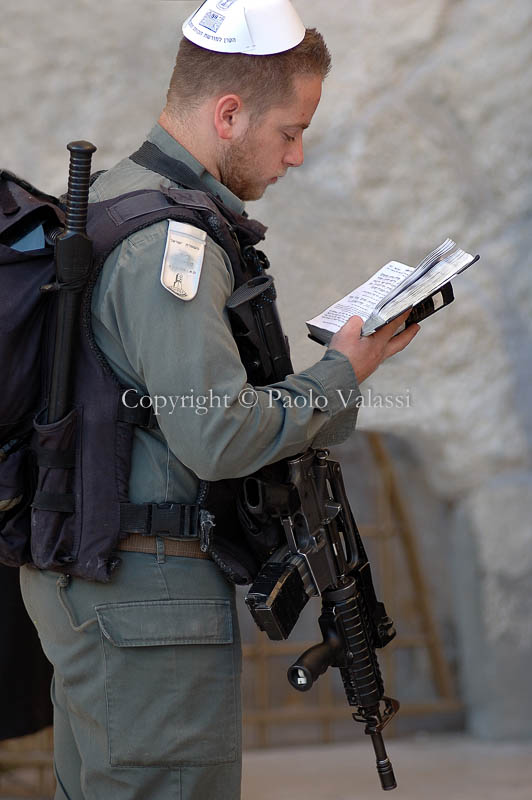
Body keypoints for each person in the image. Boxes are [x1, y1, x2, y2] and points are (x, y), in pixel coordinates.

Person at [20, 1, 419, 798]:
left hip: (111, 586)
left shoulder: (116, 196)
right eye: (290, 131)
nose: (297, 155)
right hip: (145, 597)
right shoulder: (173, 245)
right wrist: (344, 370)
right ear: (229, 113)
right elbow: (214, 435)